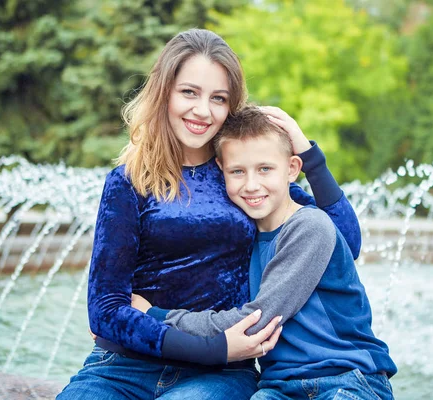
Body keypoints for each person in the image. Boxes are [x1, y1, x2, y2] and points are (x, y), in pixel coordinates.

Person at [57, 28, 361, 399]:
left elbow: (343, 240)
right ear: (164, 93)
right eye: (189, 92)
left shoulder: (241, 179)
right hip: (122, 367)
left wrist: (309, 154)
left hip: (218, 373)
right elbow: (105, 310)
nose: (203, 111)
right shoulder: (129, 181)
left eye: (218, 98)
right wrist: (214, 346)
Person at [136, 106, 397, 399]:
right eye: (237, 171)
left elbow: (255, 322)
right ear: (222, 170)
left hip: (345, 380)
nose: (251, 185)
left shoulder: (309, 226)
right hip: (277, 388)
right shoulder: (242, 233)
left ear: (292, 169)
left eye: (265, 169)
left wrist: (153, 316)